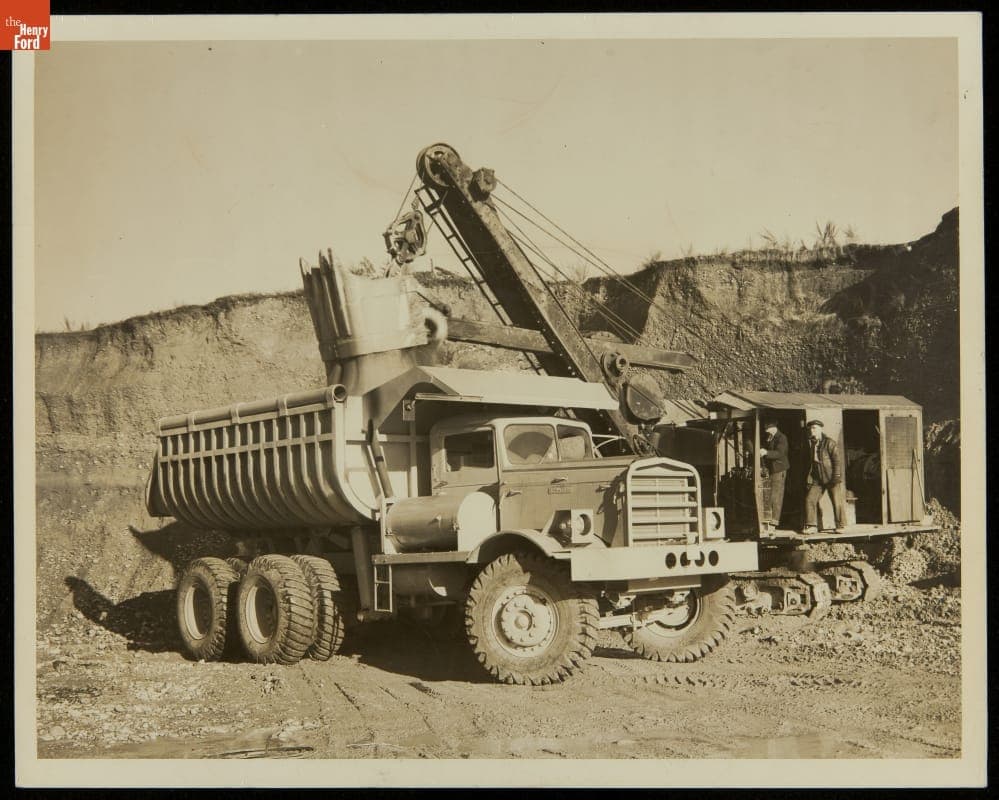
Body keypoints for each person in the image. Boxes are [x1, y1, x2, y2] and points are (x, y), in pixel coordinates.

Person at [802, 419, 846, 534]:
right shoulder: (811, 443)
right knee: (809, 500)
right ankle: (812, 526)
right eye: (811, 428)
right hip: (818, 479)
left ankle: (840, 525)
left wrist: (836, 476)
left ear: (820, 429)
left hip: (831, 477)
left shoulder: (829, 443)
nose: (812, 431)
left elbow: (837, 460)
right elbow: (812, 462)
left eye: (814, 428)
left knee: (836, 502)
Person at [759, 419, 789, 526]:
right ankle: (770, 519)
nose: (766, 430)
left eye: (767, 428)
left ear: (773, 428)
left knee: (776, 496)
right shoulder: (770, 437)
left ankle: (774, 521)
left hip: (779, 470)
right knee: (771, 495)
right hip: (772, 469)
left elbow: (780, 453)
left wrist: (766, 452)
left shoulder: (782, 438)